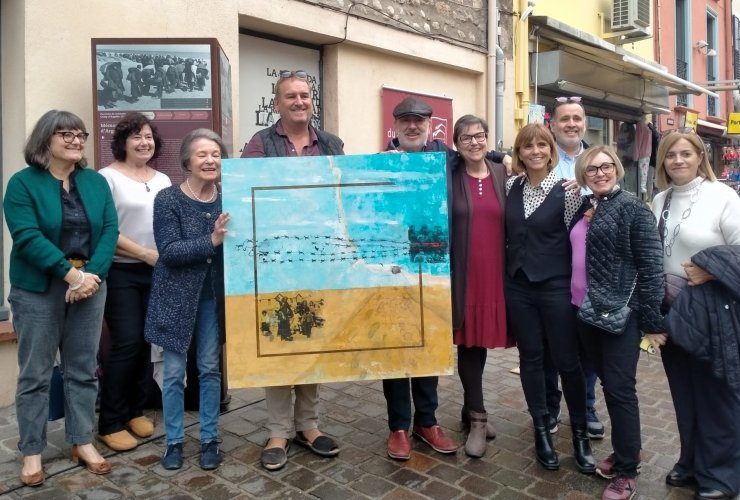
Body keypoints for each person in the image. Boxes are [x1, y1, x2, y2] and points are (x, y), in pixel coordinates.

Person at [4, 110, 118, 486]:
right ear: (45, 140)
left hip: (89, 286)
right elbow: (27, 237)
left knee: (83, 369)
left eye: (79, 134)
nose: (75, 140)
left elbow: (110, 230)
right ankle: (32, 449)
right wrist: (70, 275)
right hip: (38, 289)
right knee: (35, 373)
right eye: (65, 134)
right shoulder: (22, 184)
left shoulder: (95, 183)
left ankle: (82, 441)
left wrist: (92, 276)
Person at [242, 70, 342, 471]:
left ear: (311, 100)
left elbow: (339, 197)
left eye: (304, 95)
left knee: (312, 337)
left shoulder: (332, 144)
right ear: (277, 103)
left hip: (318, 259)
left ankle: (309, 426)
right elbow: (248, 196)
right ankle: (279, 429)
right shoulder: (259, 144)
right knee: (281, 337)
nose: (299, 101)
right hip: (277, 259)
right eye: (290, 96)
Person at [646, 131, 740, 500]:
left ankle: (722, 477)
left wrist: (710, 269)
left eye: (686, 154)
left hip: (713, 309)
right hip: (673, 310)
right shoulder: (660, 200)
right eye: (671, 156)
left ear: (701, 157)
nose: (678, 161)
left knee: (716, 392)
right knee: (683, 392)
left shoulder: (723, 197)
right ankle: (692, 461)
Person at [571, 145, 664, 500]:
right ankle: (627, 450)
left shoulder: (634, 209)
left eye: (606, 166)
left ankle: (627, 471)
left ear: (617, 169)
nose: (600, 173)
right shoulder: (587, 206)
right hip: (589, 313)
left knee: (621, 390)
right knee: (609, 386)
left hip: (622, 317)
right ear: (583, 175)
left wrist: (652, 323)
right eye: (591, 169)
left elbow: (652, 270)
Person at [505, 123, 593, 473]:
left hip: (556, 285)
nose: (536, 151)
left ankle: (581, 436)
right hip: (518, 285)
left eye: (542, 144)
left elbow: (583, 229)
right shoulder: (511, 185)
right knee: (531, 357)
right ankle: (541, 429)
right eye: (528, 146)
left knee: (567, 360)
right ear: (520, 153)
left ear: (551, 150)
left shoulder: (569, 190)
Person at [144, 128, 229, 471]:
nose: (210, 161)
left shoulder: (229, 196)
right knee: (174, 373)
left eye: (216, 155)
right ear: (187, 162)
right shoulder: (168, 199)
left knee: (210, 370)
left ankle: (210, 439)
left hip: (212, 298)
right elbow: (169, 251)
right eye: (202, 155)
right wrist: (212, 239)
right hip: (174, 298)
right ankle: (174, 442)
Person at [97, 113, 171, 451]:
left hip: (158, 270)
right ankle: (110, 421)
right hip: (122, 270)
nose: (144, 142)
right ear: (122, 142)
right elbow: (104, 230)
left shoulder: (163, 179)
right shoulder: (106, 178)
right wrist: (144, 254)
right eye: (136, 136)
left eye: (148, 136)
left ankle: (135, 410)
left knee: (147, 339)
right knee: (126, 341)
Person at [449, 115, 513, 458]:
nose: (474, 142)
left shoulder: (503, 173)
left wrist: (504, 156)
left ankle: (468, 407)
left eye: (480, 136)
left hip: (495, 273)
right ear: (457, 144)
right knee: (468, 343)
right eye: (466, 137)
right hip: (462, 272)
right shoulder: (449, 173)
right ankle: (477, 418)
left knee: (481, 341)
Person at [546, 96, 605, 440]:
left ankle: (586, 407)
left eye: (576, 119)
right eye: (564, 119)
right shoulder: (541, 156)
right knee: (553, 345)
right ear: (553, 124)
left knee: (587, 348)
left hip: (590, 272)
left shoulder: (598, 161)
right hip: (553, 270)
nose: (571, 124)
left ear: (584, 124)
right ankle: (551, 408)